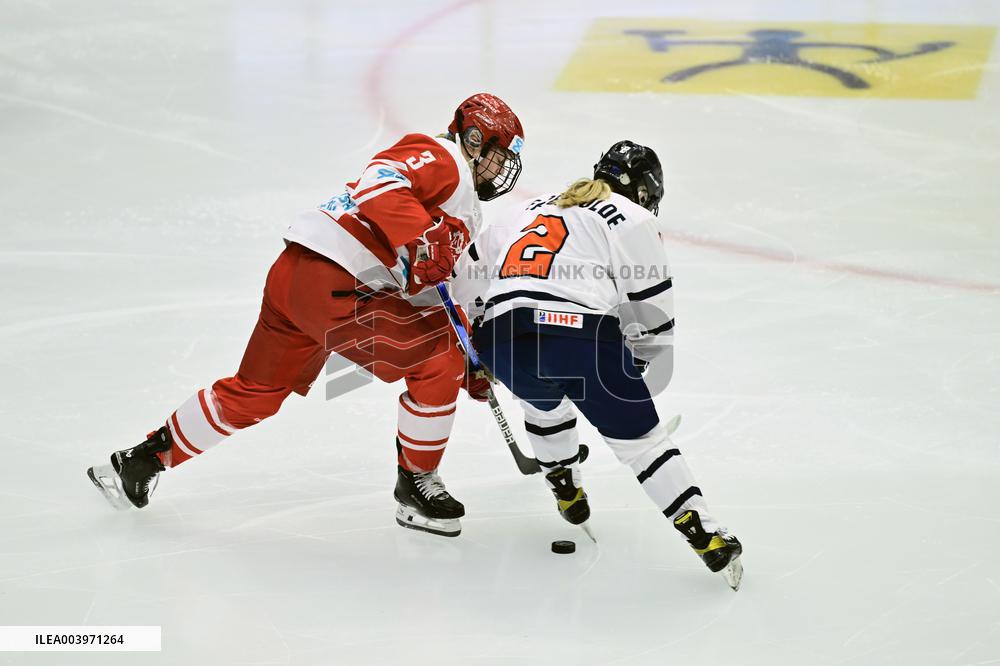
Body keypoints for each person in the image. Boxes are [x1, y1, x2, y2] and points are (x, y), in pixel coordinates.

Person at [87, 93, 526, 538]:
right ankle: (415, 484)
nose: (499, 170)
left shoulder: (464, 208)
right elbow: (381, 178)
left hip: (297, 278)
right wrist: (425, 240)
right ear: (473, 139)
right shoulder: (445, 157)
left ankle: (142, 459)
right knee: (437, 358)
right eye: (498, 156)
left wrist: (471, 357)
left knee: (257, 391)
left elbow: (436, 293)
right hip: (337, 283)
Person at [451, 140, 743, 587]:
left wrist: (475, 341)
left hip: (501, 337)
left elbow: (470, 265)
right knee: (644, 444)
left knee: (544, 404)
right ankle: (705, 534)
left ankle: (565, 488)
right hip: (576, 332)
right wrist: (637, 364)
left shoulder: (527, 207)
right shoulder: (632, 217)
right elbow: (650, 310)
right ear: (644, 190)